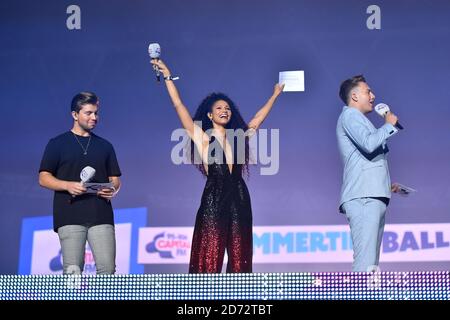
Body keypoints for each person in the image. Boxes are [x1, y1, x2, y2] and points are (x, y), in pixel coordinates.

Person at [151, 59, 283, 273]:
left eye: (228, 108)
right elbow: (179, 106)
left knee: (241, 256)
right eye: (219, 108)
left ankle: (238, 299)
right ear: (210, 115)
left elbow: (258, 119)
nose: (225, 110)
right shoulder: (203, 139)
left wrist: (275, 94)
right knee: (208, 256)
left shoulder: (239, 138)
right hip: (214, 197)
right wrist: (167, 76)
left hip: (239, 197)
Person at [39, 92, 121, 275]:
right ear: (75, 115)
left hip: (101, 215)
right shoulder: (57, 144)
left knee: (107, 270)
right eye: (89, 113)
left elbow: (115, 179)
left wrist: (112, 189)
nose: (94, 117)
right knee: (73, 271)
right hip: (70, 215)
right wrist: (67, 185)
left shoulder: (105, 146)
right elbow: (43, 177)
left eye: (96, 113)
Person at [336, 75, 401, 272]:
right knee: (365, 264)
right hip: (363, 196)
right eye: (368, 91)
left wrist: (385, 183)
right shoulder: (350, 116)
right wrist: (389, 125)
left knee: (371, 265)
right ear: (354, 96)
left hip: (373, 194)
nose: (373, 96)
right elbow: (369, 143)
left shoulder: (359, 119)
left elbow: (367, 158)